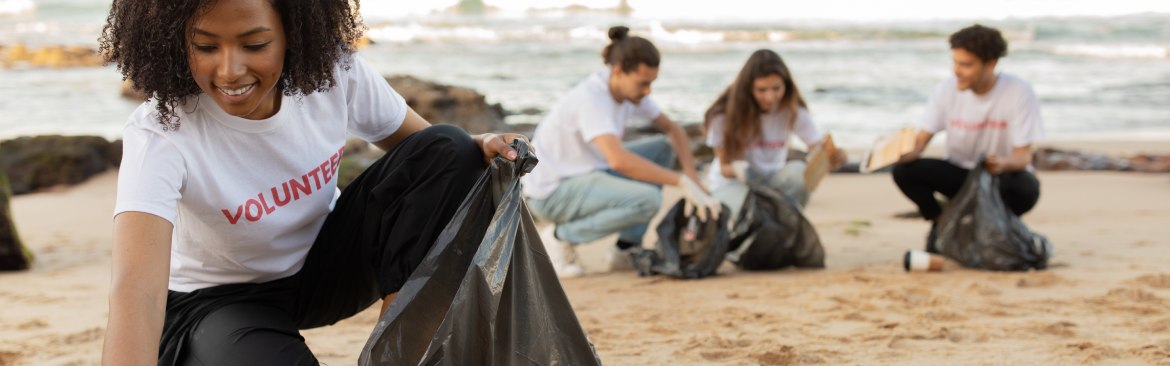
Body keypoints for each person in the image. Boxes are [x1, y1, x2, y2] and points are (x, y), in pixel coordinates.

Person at [98, 0, 528, 364]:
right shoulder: (160, 132)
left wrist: (482, 144)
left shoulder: (331, 73)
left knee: (451, 146)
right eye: (205, 46)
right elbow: (137, 288)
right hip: (218, 302)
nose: (229, 71)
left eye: (255, 44)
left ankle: (401, 343)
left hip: (324, 268)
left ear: (293, 32)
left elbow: (432, 158)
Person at [522, 26, 721, 278]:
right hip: (551, 194)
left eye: (652, 82)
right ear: (618, 72)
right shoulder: (592, 99)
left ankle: (624, 250)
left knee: (662, 148)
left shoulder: (628, 92)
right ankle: (558, 239)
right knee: (647, 200)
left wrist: (691, 175)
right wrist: (680, 181)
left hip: (587, 172)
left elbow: (674, 130)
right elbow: (618, 160)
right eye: (643, 83)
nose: (648, 90)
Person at [893, 24, 1044, 251]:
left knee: (1027, 186)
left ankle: (994, 221)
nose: (957, 71)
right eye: (954, 62)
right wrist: (902, 152)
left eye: (966, 64)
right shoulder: (945, 90)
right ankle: (940, 221)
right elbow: (921, 142)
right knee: (904, 171)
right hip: (960, 176)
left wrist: (1002, 163)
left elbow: (1023, 157)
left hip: (996, 178)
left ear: (990, 63)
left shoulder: (1018, 91)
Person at [703, 49, 845, 215]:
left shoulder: (792, 111)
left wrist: (833, 157)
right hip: (732, 184)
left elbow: (817, 148)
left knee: (799, 172)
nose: (770, 97)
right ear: (748, 89)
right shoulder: (724, 115)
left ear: (786, 85)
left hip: (774, 181)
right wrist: (737, 169)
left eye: (776, 88)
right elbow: (724, 168)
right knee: (748, 213)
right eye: (761, 90)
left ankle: (790, 226)